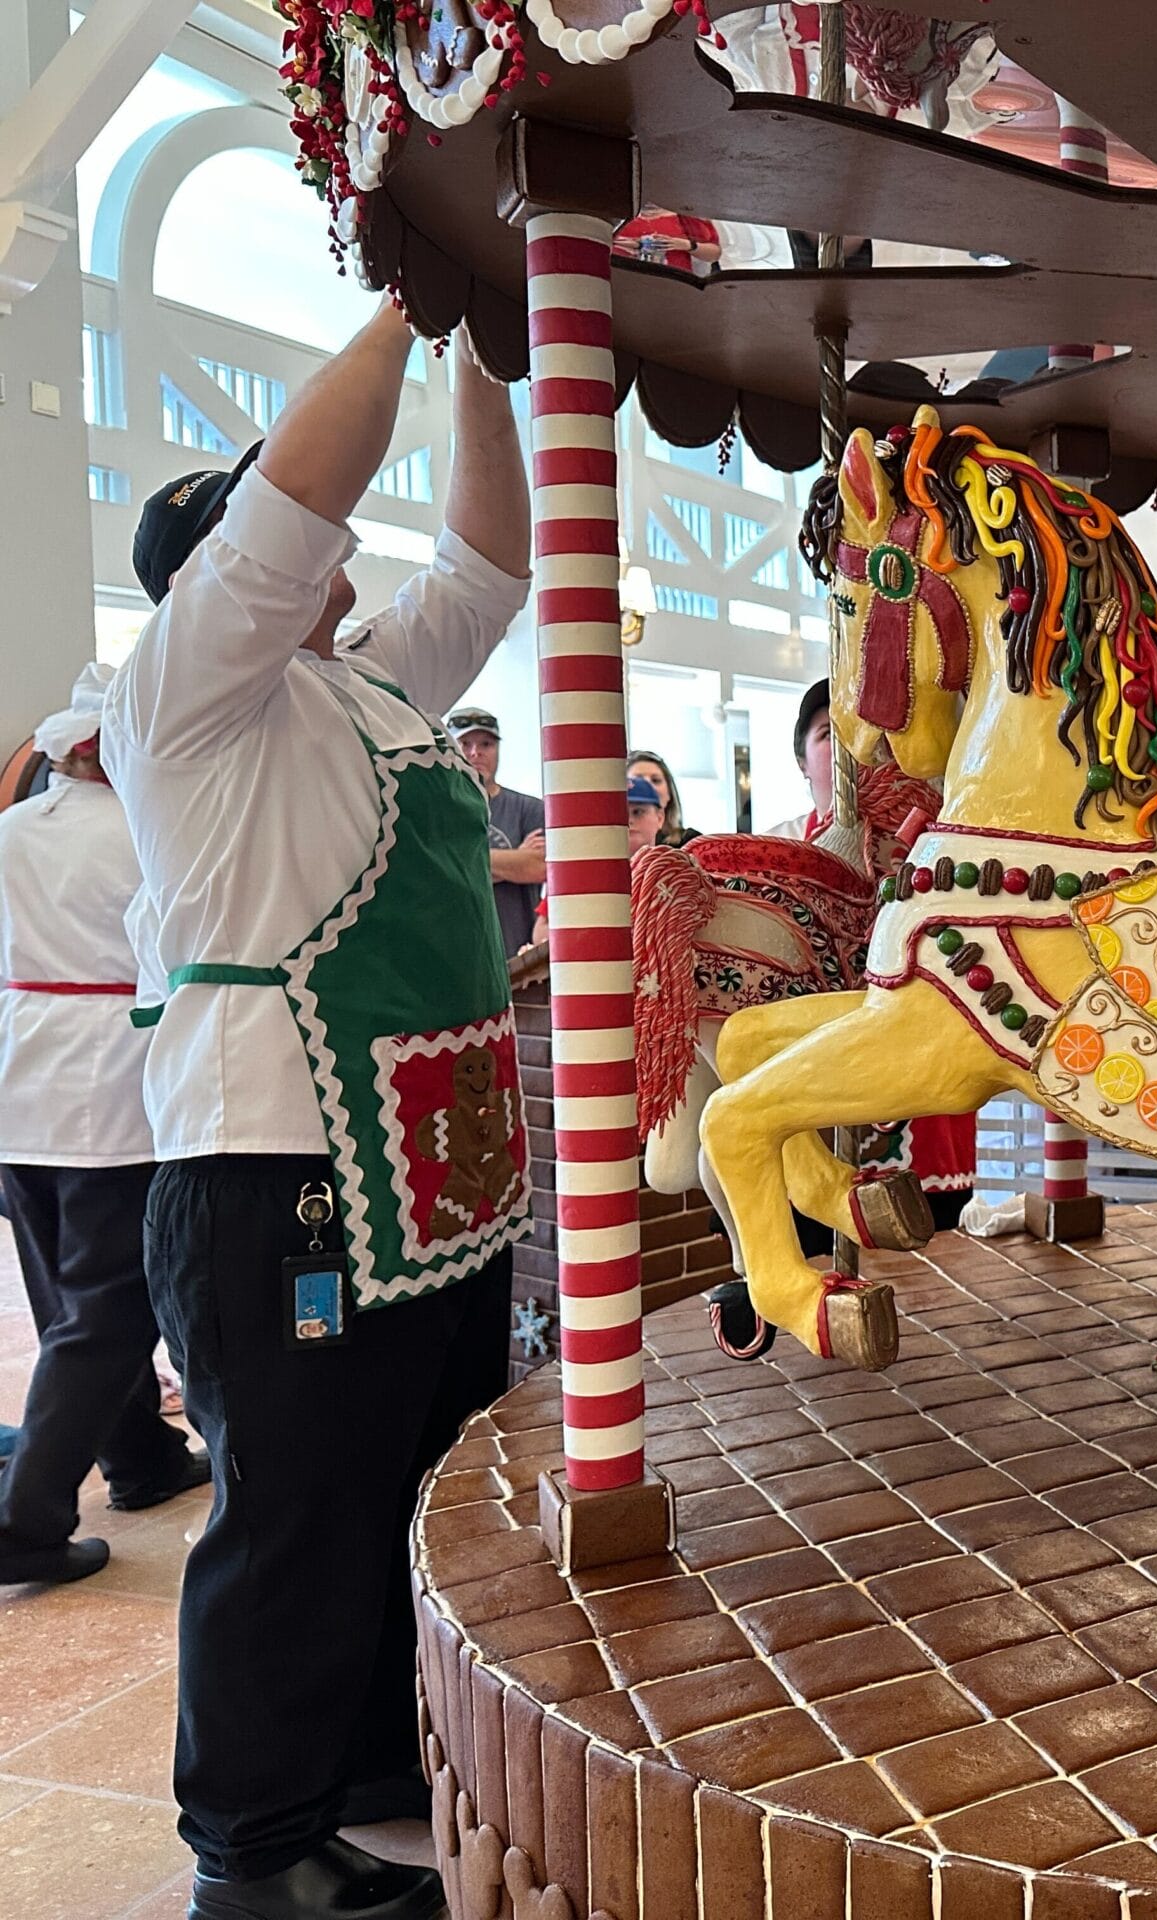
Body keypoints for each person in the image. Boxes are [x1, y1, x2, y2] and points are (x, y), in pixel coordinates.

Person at [103, 299, 530, 1920]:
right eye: (271, 534)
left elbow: (488, 564)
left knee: (406, 1482)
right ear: (219, 577)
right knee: (295, 1512)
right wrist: (416, 292)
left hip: (426, 1163)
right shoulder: (188, 695)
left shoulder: (361, 689)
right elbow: (299, 499)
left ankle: (361, 1764)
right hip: (277, 1167)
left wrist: (482, 352)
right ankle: (255, 1848)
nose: (321, 544)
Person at [0, 665, 206, 1587]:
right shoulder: (145, 830)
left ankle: (140, 1458)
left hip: (19, 1074)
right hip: (106, 1084)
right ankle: (26, 1519)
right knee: (109, 1308)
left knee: (64, 1301)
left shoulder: (12, 831)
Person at [449, 705, 544, 954]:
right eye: (465, 744)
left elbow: (540, 866)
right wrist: (515, 861)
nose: (475, 752)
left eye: (486, 744)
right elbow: (437, 874)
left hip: (518, 957)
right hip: (456, 953)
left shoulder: (530, 809)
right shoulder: (437, 812)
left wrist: (461, 860)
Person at [764, 677, 834, 842]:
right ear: (802, 763)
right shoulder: (777, 844)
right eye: (828, 733)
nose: (846, 744)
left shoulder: (895, 839)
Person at [627, 749, 698, 846]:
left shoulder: (691, 842)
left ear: (669, 792)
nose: (649, 786)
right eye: (639, 780)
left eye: (656, 780)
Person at [627, 772, 667, 854]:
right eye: (619, 814)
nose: (628, 820)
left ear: (660, 818)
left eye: (637, 812)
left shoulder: (680, 861)